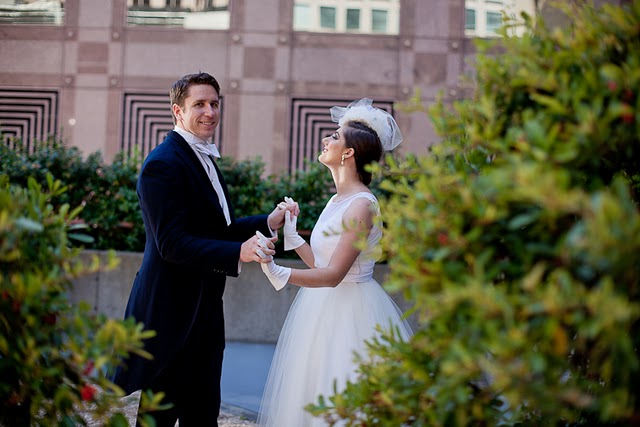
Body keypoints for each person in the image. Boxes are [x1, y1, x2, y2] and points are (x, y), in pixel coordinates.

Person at [112, 72, 290, 427]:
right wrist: (238, 251)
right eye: (200, 105)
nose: (210, 112)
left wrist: (268, 223)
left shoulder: (203, 158)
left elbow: (216, 231)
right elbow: (171, 244)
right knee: (158, 418)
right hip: (170, 312)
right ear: (178, 111)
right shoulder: (162, 164)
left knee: (203, 412)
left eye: (214, 103)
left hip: (206, 310)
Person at [256, 98, 413, 427]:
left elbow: (334, 275)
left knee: (344, 391)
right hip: (321, 310)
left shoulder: (362, 206)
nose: (325, 140)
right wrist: (292, 235)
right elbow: (322, 262)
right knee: (312, 391)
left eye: (334, 137)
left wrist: (278, 272)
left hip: (353, 312)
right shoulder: (337, 199)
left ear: (349, 153)